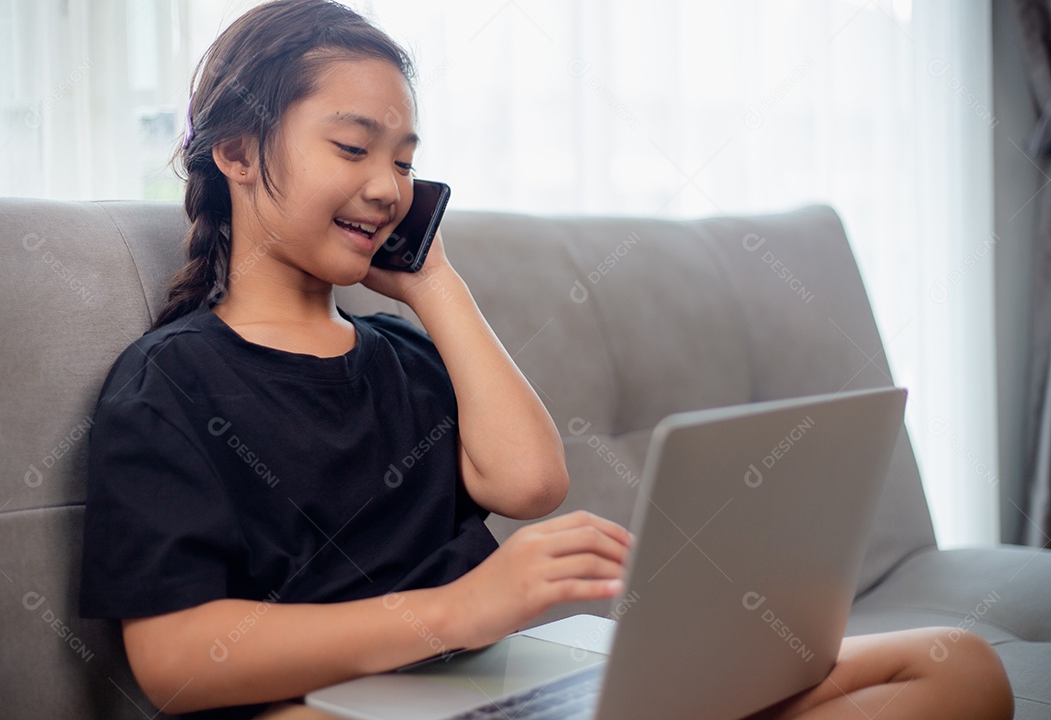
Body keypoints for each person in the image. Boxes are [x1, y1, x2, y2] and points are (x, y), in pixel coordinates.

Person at [78, 2, 1014, 719]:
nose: (386, 186)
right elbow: (172, 659)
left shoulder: (402, 353)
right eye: (354, 147)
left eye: (406, 161)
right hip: (336, 700)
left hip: (488, 684)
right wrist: (461, 610)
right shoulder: (172, 383)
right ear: (237, 152)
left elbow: (529, 483)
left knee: (956, 667)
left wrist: (435, 281)